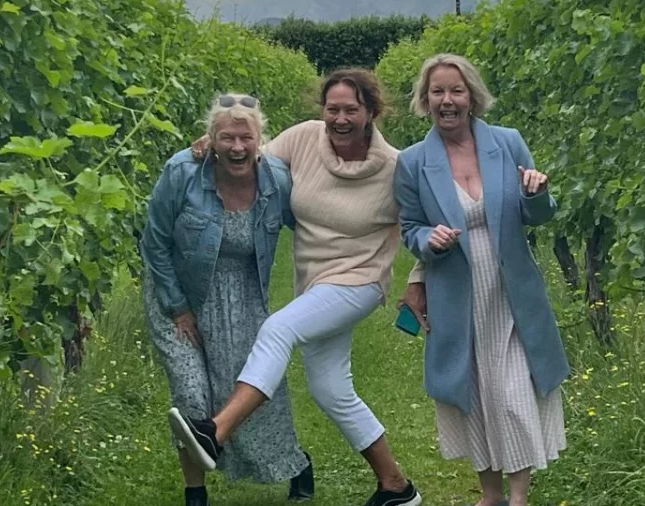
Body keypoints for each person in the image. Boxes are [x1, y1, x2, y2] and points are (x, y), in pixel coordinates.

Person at [170, 68, 423, 506]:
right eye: (332, 109)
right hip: (315, 282)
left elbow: (423, 224)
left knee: (278, 330)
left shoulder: (396, 168)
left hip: (359, 281)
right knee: (331, 389)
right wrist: (209, 147)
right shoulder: (304, 138)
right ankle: (397, 487)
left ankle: (215, 433)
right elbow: (251, 155)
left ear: (371, 113)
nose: (340, 118)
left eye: (351, 110)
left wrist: (418, 281)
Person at [394, 53, 570, 506]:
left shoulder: (508, 144)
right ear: (425, 99)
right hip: (457, 291)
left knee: (512, 389)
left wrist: (537, 194)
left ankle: (518, 497)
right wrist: (429, 239)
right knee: (474, 388)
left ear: (472, 96)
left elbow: (540, 215)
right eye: (438, 92)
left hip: (510, 289)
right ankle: (490, 495)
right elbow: (409, 228)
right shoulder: (414, 162)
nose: (447, 100)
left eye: (456, 90)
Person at [141, 93, 314, 506]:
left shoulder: (277, 179)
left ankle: (295, 462)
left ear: (260, 140)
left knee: (248, 390)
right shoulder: (182, 171)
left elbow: (316, 221)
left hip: (243, 293)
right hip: (178, 294)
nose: (237, 147)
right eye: (226, 138)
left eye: (245, 137)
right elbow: (154, 242)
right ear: (211, 139)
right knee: (191, 396)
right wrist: (178, 308)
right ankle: (195, 492)